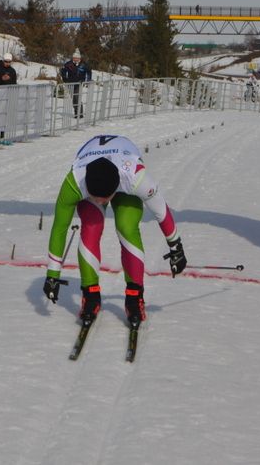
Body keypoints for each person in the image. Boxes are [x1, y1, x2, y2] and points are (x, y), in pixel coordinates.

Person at [42, 134, 187, 326]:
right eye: (96, 198)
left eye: (104, 199)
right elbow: (60, 227)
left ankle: (135, 297)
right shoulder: (75, 181)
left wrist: (176, 246)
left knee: (127, 227)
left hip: (124, 165)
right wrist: (52, 275)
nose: (101, 203)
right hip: (91, 163)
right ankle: (90, 294)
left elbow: (161, 211)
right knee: (91, 228)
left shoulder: (136, 177)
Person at [60, 48, 92, 118]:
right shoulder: (69, 64)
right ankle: (76, 112)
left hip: (79, 84)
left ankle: (80, 114)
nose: (75, 59)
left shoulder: (84, 65)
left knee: (77, 98)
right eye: (74, 58)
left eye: (77, 58)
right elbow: (63, 70)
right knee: (74, 99)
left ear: (79, 58)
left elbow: (89, 72)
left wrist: (88, 80)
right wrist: (65, 78)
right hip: (70, 84)